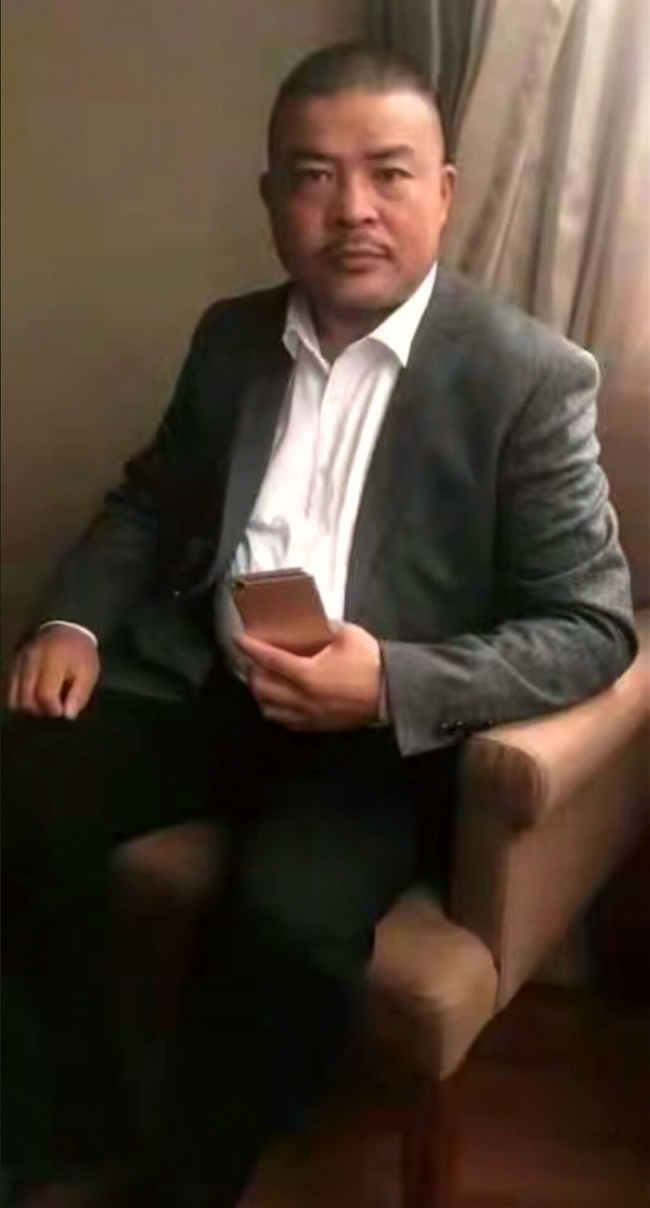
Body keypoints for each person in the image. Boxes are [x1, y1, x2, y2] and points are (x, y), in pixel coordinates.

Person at [1, 40, 636, 1208]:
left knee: (285, 923)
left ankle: (181, 1183)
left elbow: (590, 628)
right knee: (20, 782)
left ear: (442, 190)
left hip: (371, 740)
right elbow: (148, 500)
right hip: (203, 679)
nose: (350, 209)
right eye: (311, 175)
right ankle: (63, 1111)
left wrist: (387, 679)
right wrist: (75, 623)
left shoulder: (528, 377)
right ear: (269, 198)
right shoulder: (231, 337)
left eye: (387, 172)